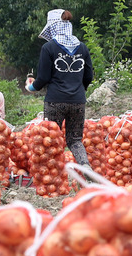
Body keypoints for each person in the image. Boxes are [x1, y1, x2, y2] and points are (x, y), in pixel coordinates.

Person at [25, 9, 94, 167]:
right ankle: (86, 167)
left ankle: (52, 175)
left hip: (55, 101)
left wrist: (31, 87)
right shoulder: (82, 47)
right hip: (78, 101)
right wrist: (77, 89)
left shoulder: (49, 48)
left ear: (53, 27)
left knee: (50, 140)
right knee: (75, 140)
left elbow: (43, 78)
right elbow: (89, 76)